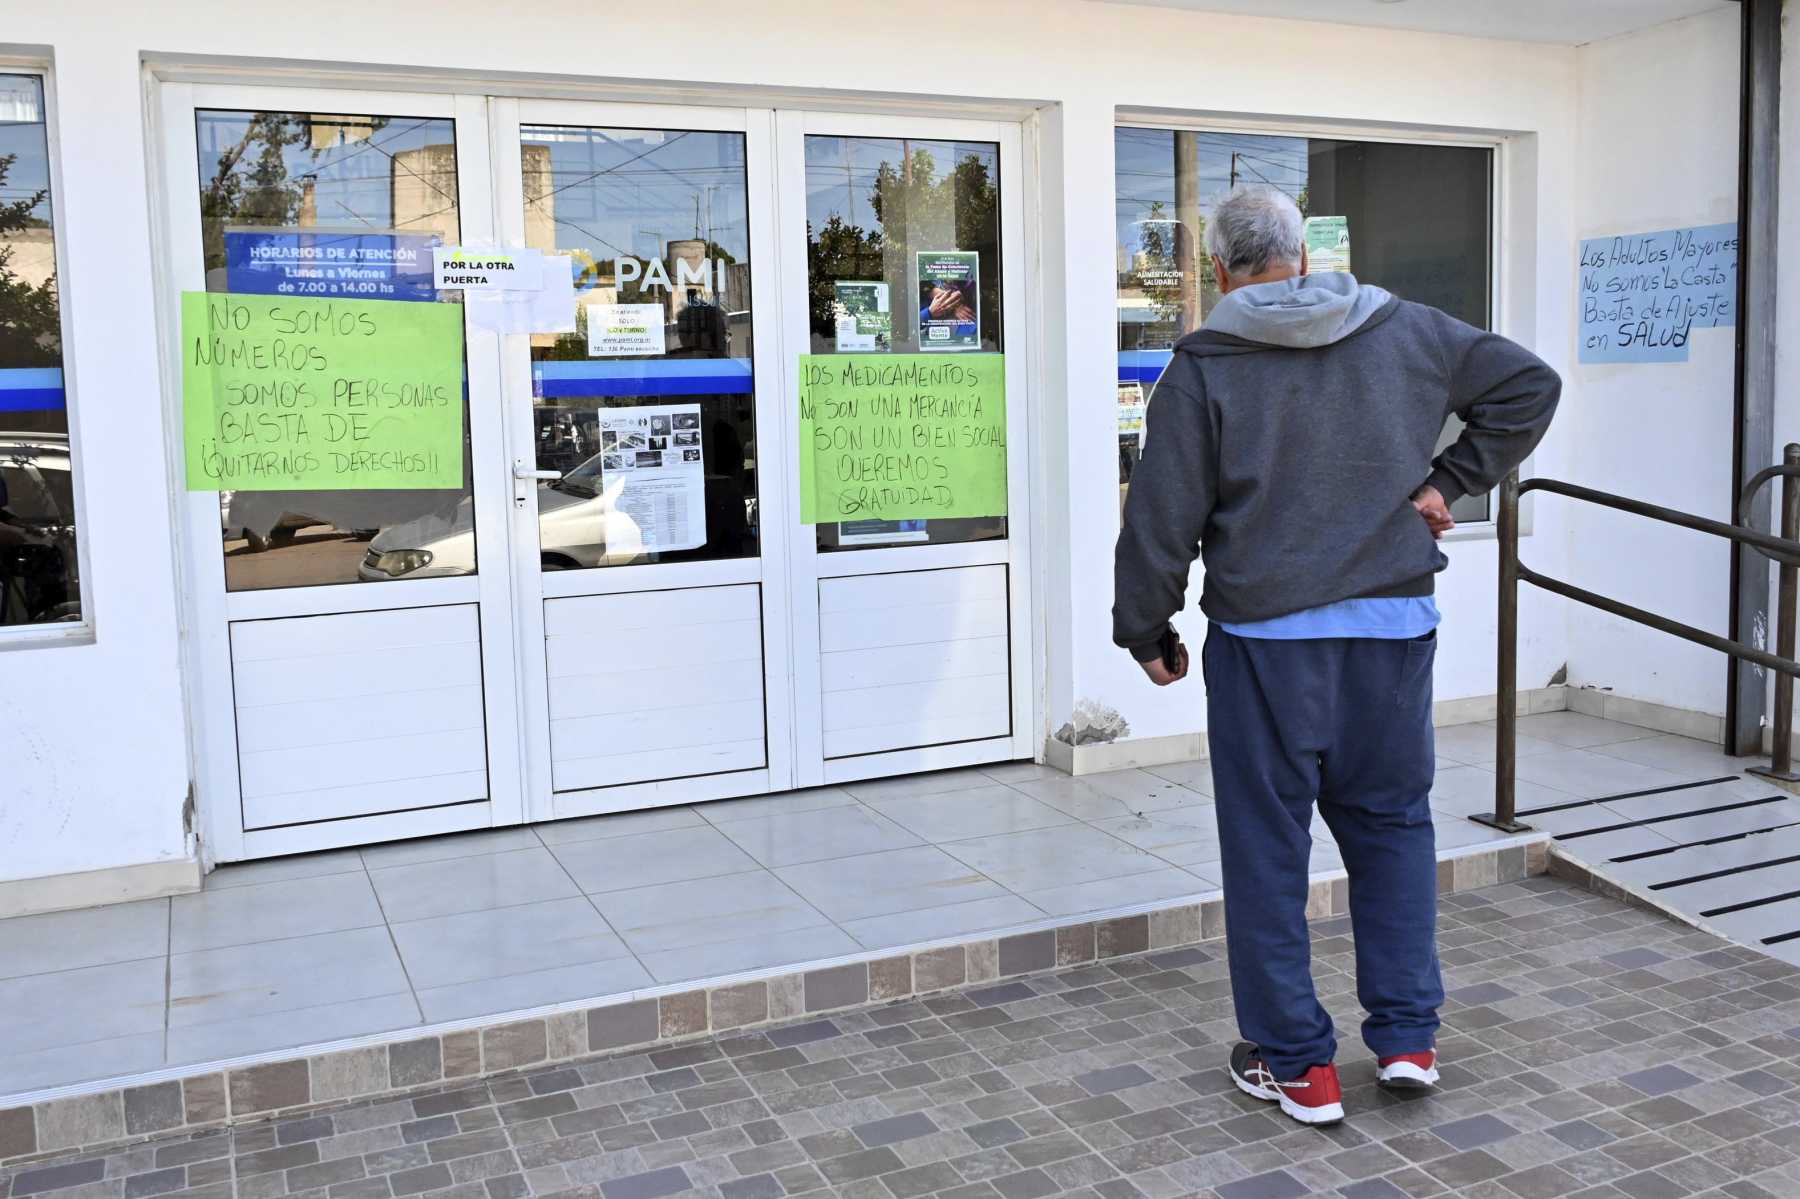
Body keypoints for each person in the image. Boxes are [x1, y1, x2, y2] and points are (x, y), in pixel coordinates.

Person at [1113, 186, 1559, 1127]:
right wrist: (1453, 480)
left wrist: (1146, 629)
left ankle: (1300, 1068)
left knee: (1269, 850)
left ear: (1221, 272)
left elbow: (1162, 515)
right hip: (1392, 635)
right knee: (1394, 828)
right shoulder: (1407, 330)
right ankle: (1407, 1040)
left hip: (1269, 646)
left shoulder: (1204, 364)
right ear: (1304, 259)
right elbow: (1530, 385)